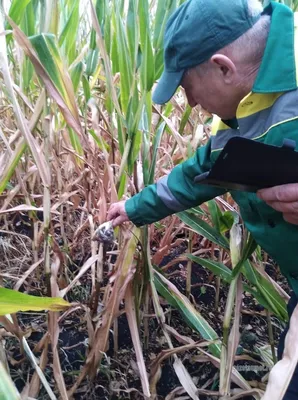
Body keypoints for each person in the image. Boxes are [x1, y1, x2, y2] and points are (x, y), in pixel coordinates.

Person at [107, 0, 298, 397]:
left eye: (188, 88)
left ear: (223, 67)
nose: (191, 103)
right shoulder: (241, 119)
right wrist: (132, 208)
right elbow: (197, 176)